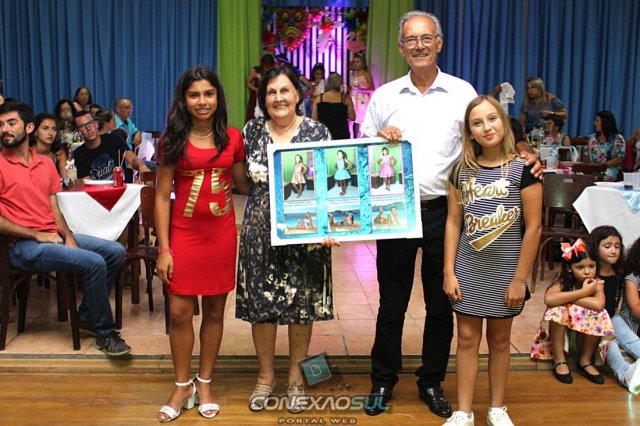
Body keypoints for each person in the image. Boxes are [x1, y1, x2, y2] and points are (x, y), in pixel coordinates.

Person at [361, 10, 542, 418]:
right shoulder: (385, 96)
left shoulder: (462, 92)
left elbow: (491, 133)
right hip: (396, 213)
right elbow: (363, 150)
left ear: (439, 43)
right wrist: (378, 138)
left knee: (442, 303)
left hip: (447, 212)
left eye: (426, 38)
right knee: (391, 303)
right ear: (401, 47)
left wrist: (525, 151)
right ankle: (383, 379)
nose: (419, 46)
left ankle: (431, 380)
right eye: (411, 39)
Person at [236, 65, 339, 414]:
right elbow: (242, 182)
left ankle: (296, 378)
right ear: (263, 98)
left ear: (297, 94)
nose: (278, 98)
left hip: (306, 233)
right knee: (261, 308)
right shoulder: (251, 131)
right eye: (271, 92)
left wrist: (329, 227)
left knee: (301, 306)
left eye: (284, 90)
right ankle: (265, 377)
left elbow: (330, 186)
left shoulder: (317, 132)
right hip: (259, 234)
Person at [154, 65, 248, 422]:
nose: (202, 101)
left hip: (220, 237)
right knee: (179, 312)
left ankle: (204, 382)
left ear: (217, 98)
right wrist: (164, 249)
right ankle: (182, 385)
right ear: (184, 100)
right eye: (194, 95)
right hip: (183, 236)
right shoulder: (171, 142)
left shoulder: (232, 138)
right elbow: (161, 197)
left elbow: (243, 185)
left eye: (209, 93)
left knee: (214, 313)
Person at [0, 100, 130, 357]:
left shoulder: (45, 163)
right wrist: (36, 234)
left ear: (28, 128)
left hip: (52, 236)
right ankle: (105, 333)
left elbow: (55, 208)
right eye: (1, 124)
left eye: (11, 123)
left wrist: (68, 236)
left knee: (115, 251)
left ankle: (87, 314)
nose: (4, 129)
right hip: (22, 245)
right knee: (94, 262)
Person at [442, 96, 542, 426]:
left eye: (492, 118)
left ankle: (497, 408)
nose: (486, 127)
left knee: (499, 341)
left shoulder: (524, 170)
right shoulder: (460, 171)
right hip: (469, 270)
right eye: (477, 122)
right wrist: (448, 271)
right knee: (466, 340)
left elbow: (534, 228)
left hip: (506, 273)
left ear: (503, 121)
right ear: (469, 131)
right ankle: (463, 411)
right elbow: (453, 222)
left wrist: (519, 280)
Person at [531, 239, 615, 385]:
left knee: (600, 315)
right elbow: (549, 299)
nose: (587, 271)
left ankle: (585, 360)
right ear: (570, 268)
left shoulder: (596, 283)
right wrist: (583, 293)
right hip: (564, 329)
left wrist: (568, 297)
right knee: (557, 310)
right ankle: (559, 359)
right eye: (580, 267)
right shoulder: (563, 280)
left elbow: (598, 304)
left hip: (584, 333)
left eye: (591, 266)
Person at [589, 227, 640, 395]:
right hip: (593, 322)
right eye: (608, 246)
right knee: (609, 341)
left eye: (617, 246)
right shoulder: (590, 271)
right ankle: (625, 374)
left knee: (619, 325)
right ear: (595, 247)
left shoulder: (618, 273)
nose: (613, 250)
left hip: (611, 319)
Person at [72, 111, 150, 181]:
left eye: (90, 123)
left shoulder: (113, 139)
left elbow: (132, 159)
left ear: (96, 123)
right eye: (82, 126)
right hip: (98, 191)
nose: (88, 128)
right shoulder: (79, 154)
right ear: (78, 131)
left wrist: (141, 166)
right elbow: (86, 181)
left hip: (123, 188)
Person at [312, 72, 355, 140]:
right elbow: (352, 117)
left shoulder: (319, 98)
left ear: (327, 83)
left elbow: (314, 118)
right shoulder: (345, 98)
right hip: (341, 134)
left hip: (323, 134)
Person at [586, 111, 626, 182]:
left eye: (597, 121)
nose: (594, 123)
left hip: (610, 171)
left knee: (607, 175)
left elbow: (619, 158)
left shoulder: (618, 138)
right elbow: (586, 157)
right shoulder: (591, 138)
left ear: (605, 122)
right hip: (592, 170)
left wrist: (600, 166)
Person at [30, 112, 68, 176]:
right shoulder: (28, 152)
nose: (51, 133)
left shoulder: (58, 151)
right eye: (45, 128)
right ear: (35, 132)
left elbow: (66, 178)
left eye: (54, 129)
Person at [350, 52, 375, 137]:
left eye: (358, 62)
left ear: (363, 63)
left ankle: (360, 139)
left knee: (361, 123)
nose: (355, 64)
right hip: (353, 99)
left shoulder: (366, 74)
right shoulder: (353, 73)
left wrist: (361, 90)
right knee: (350, 120)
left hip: (362, 100)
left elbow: (372, 89)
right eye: (354, 62)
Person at [246, 54, 276, 122]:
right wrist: (255, 89)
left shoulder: (273, 72)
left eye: (269, 66)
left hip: (269, 95)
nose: (267, 68)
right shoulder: (256, 71)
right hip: (256, 96)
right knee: (254, 115)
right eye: (266, 66)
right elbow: (248, 83)